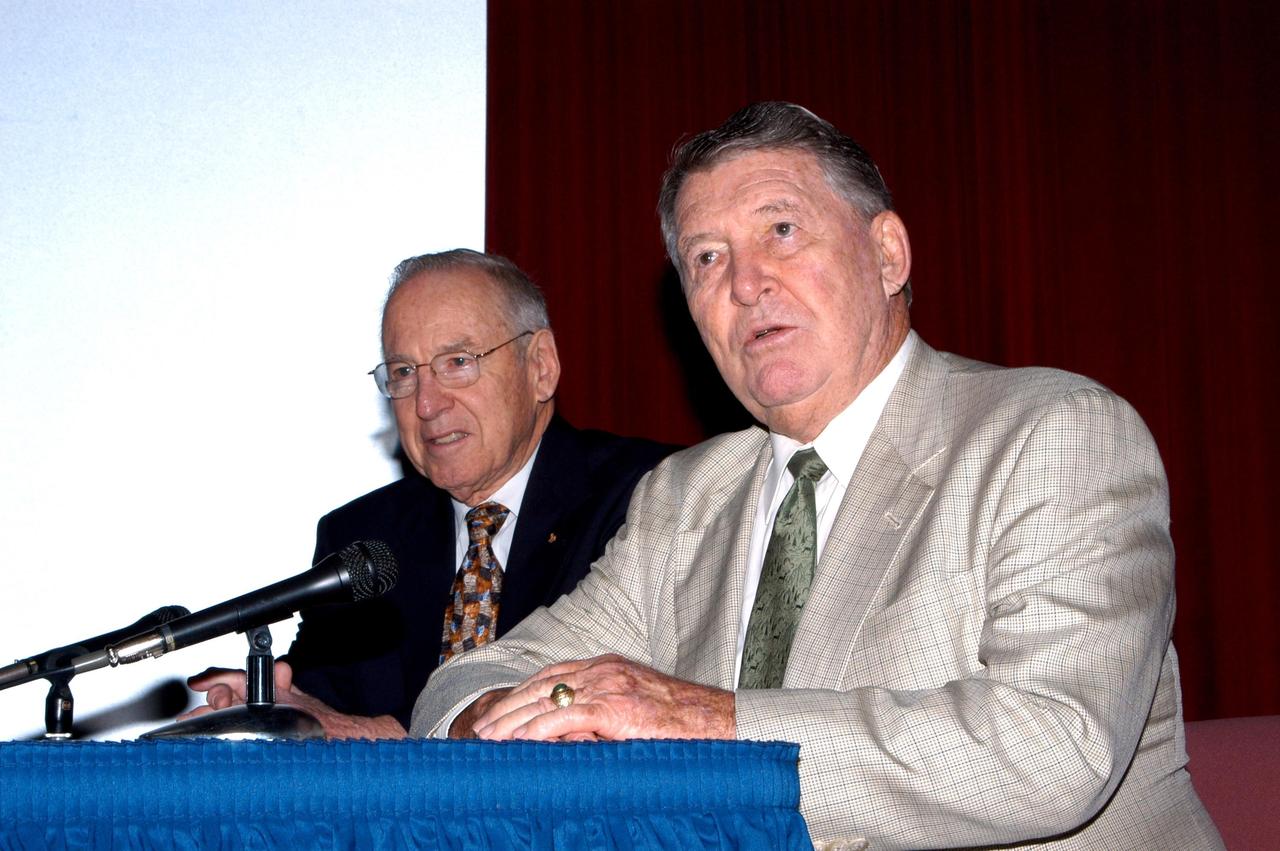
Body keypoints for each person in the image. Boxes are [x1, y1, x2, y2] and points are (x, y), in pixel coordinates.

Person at [410, 105, 1223, 849]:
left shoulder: (1050, 435)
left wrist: (709, 722)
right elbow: (473, 676)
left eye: (783, 230)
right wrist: (508, 718)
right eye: (706, 257)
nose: (744, 282)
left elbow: (1054, 747)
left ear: (887, 253)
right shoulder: (684, 498)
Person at [186, 249, 675, 737]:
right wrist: (292, 710)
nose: (425, 403)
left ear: (541, 366)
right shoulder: (363, 540)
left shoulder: (650, 495)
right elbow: (330, 707)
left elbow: (617, 703)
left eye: (458, 362)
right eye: (403, 373)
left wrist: (387, 735)